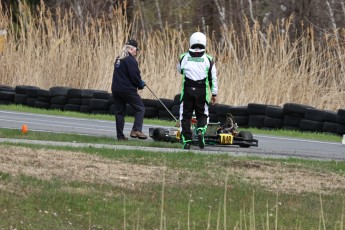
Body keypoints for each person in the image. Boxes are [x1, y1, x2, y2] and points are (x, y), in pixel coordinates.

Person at [177, 32, 218, 149]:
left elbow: (179, 70)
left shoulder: (183, 57)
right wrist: (214, 93)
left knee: (185, 116)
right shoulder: (209, 59)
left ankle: (187, 141)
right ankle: (200, 130)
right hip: (202, 92)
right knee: (203, 114)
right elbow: (213, 78)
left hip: (187, 90)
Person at [111, 39, 147, 141]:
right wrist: (140, 84)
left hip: (116, 89)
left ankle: (120, 136)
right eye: (136, 50)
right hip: (127, 90)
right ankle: (136, 130)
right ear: (132, 49)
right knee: (140, 108)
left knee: (119, 112)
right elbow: (134, 76)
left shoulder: (119, 58)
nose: (136, 52)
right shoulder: (130, 60)